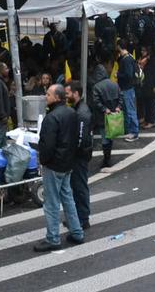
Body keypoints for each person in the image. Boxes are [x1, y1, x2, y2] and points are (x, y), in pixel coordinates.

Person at [34, 85, 84, 252]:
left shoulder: (52, 117)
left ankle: (53, 238)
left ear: (57, 97)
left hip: (54, 165)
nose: (45, 96)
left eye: (48, 94)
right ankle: (77, 232)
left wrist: (43, 161)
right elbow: (76, 138)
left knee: (51, 203)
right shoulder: (72, 113)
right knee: (67, 198)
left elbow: (47, 145)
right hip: (67, 163)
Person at [67, 82, 93, 229]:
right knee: (76, 186)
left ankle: (83, 219)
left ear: (76, 93)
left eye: (68, 93)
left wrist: (73, 152)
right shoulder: (78, 109)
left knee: (80, 186)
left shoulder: (82, 113)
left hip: (80, 156)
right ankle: (78, 216)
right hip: (79, 155)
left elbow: (81, 138)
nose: (66, 96)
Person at [89, 64, 122, 168]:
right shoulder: (114, 84)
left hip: (102, 116)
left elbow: (96, 102)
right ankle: (108, 157)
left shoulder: (96, 87)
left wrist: (104, 109)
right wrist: (118, 107)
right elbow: (121, 97)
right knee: (110, 136)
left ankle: (106, 159)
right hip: (114, 115)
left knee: (104, 138)